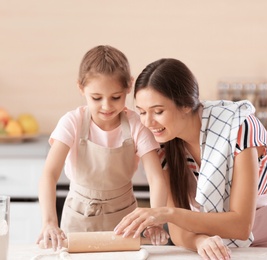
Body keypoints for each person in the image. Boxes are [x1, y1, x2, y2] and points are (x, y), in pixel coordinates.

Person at [114, 58, 267, 260]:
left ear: (185, 104)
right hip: (220, 242)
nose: (148, 122)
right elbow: (178, 232)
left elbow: (241, 225)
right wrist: (199, 241)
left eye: (158, 111)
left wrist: (166, 214)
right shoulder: (162, 144)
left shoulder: (239, 127)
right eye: (142, 112)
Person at [36, 45, 168, 250]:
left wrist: (155, 221)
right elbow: (49, 175)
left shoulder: (136, 125)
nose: (107, 106)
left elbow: (156, 178)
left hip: (125, 221)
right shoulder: (72, 122)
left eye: (116, 97)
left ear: (129, 87)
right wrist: (49, 223)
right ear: (81, 88)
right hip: (77, 220)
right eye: (96, 98)